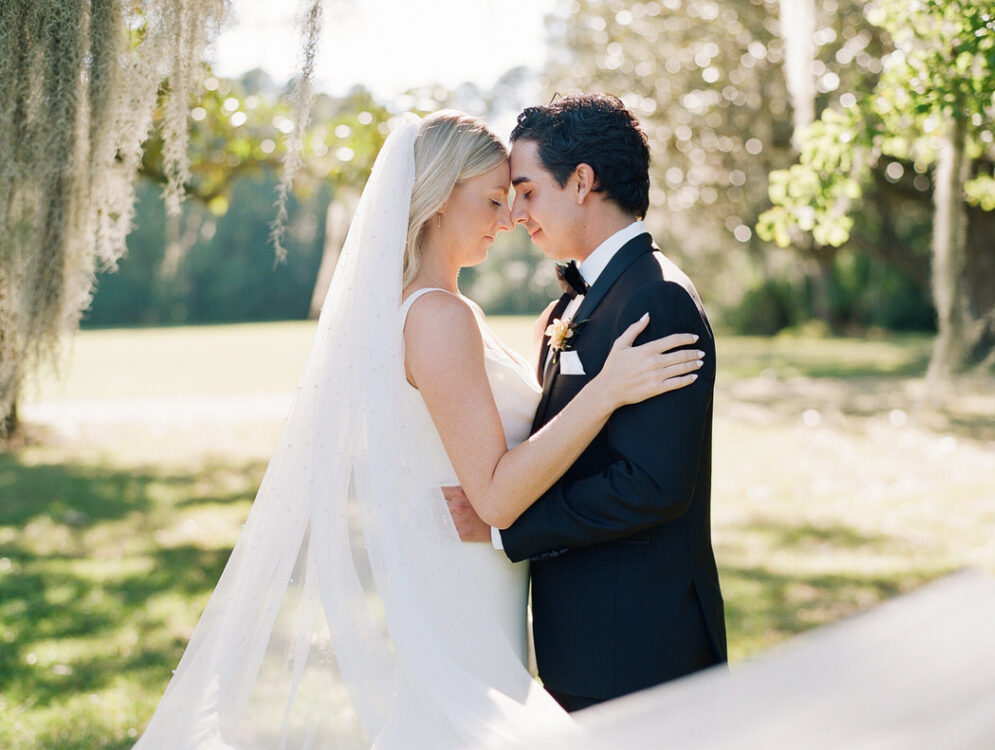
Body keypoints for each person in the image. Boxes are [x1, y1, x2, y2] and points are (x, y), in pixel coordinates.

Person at [133, 110, 704, 749]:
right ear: (435, 203)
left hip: (492, 585)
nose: (510, 218)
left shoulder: (456, 311)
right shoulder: (438, 317)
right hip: (463, 587)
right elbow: (493, 495)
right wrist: (601, 393)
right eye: (493, 200)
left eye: (516, 196)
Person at [450, 94, 728, 713]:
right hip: (586, 644)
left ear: (582, 182)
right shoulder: (580, 300)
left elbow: (653, 485)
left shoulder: (658, 300)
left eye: (527, 190)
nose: (517, 213)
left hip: (640, 647)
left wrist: (506, 527)